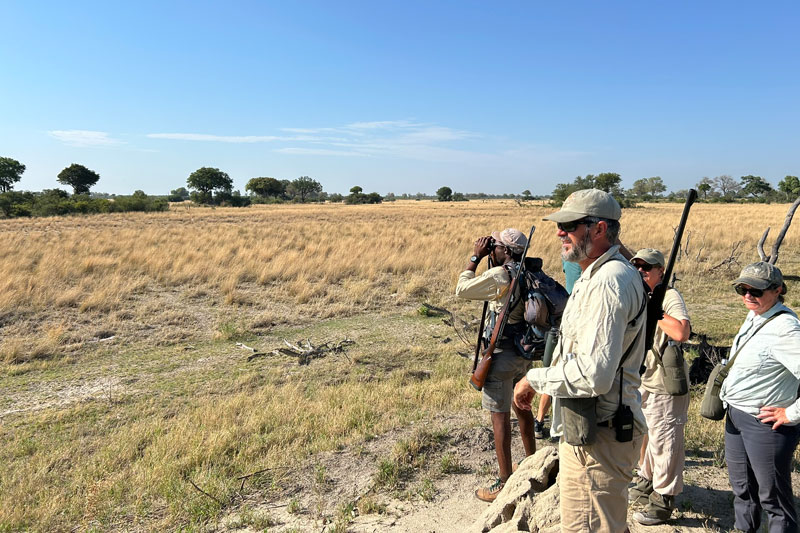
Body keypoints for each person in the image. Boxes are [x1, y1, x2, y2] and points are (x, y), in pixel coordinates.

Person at [513, 188, 647, 532]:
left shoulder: (608, 281)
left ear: (599, 229)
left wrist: (535, 379)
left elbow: (594, 376)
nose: (560, 232)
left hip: (599, 439)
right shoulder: (599, 273)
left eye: (570, 225)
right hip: (595, 432)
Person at [455, 228, 537, 502]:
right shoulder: (527, 271)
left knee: (499, 415)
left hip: (500, 355)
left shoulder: (501, 275)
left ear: (507, 251)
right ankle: (532, 463)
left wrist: (474, 258)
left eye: (496, 246)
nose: (492, 248)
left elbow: (462, 289)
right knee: (522, 405)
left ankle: (504, 482)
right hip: (522, 352)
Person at [719, 262, 800, 533]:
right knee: (743, 491)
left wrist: (792, 413)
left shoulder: (786, 329)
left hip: (765, 425)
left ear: (778, 290)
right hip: (737, 416)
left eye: (756, 290)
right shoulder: (756, 314)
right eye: (742, 288)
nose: (748, 295)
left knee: (773, 499)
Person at [626, 249, 691, 526]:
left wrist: (657, 311)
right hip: (643, 379)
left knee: (666, 441)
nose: (641, 270)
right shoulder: (635, 292)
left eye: (647, 267)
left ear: (660, 271)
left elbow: (681, 332)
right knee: (647, 436)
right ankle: (646, 480)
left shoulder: (669, 296)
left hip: (664, 383)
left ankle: (663, 500)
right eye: (637, 266)